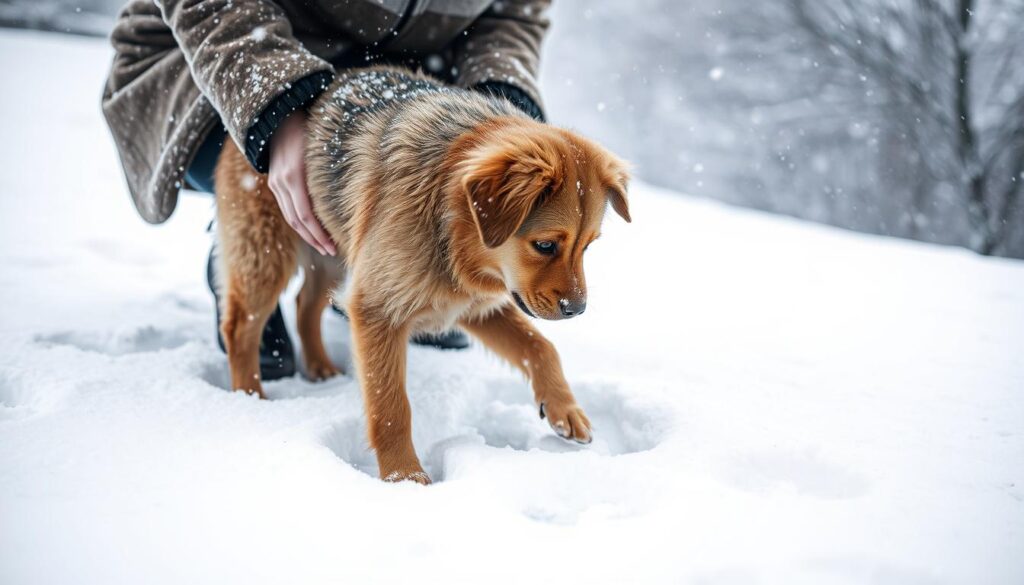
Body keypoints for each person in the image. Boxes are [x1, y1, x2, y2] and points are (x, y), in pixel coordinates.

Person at [102, 0, 550, 379]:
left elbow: (511, 18)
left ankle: (358, 268)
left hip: (392, 86)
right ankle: (249, 251)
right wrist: (277, 109)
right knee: (257, 190)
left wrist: (501, 123)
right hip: (218, 61)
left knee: (365, 224)